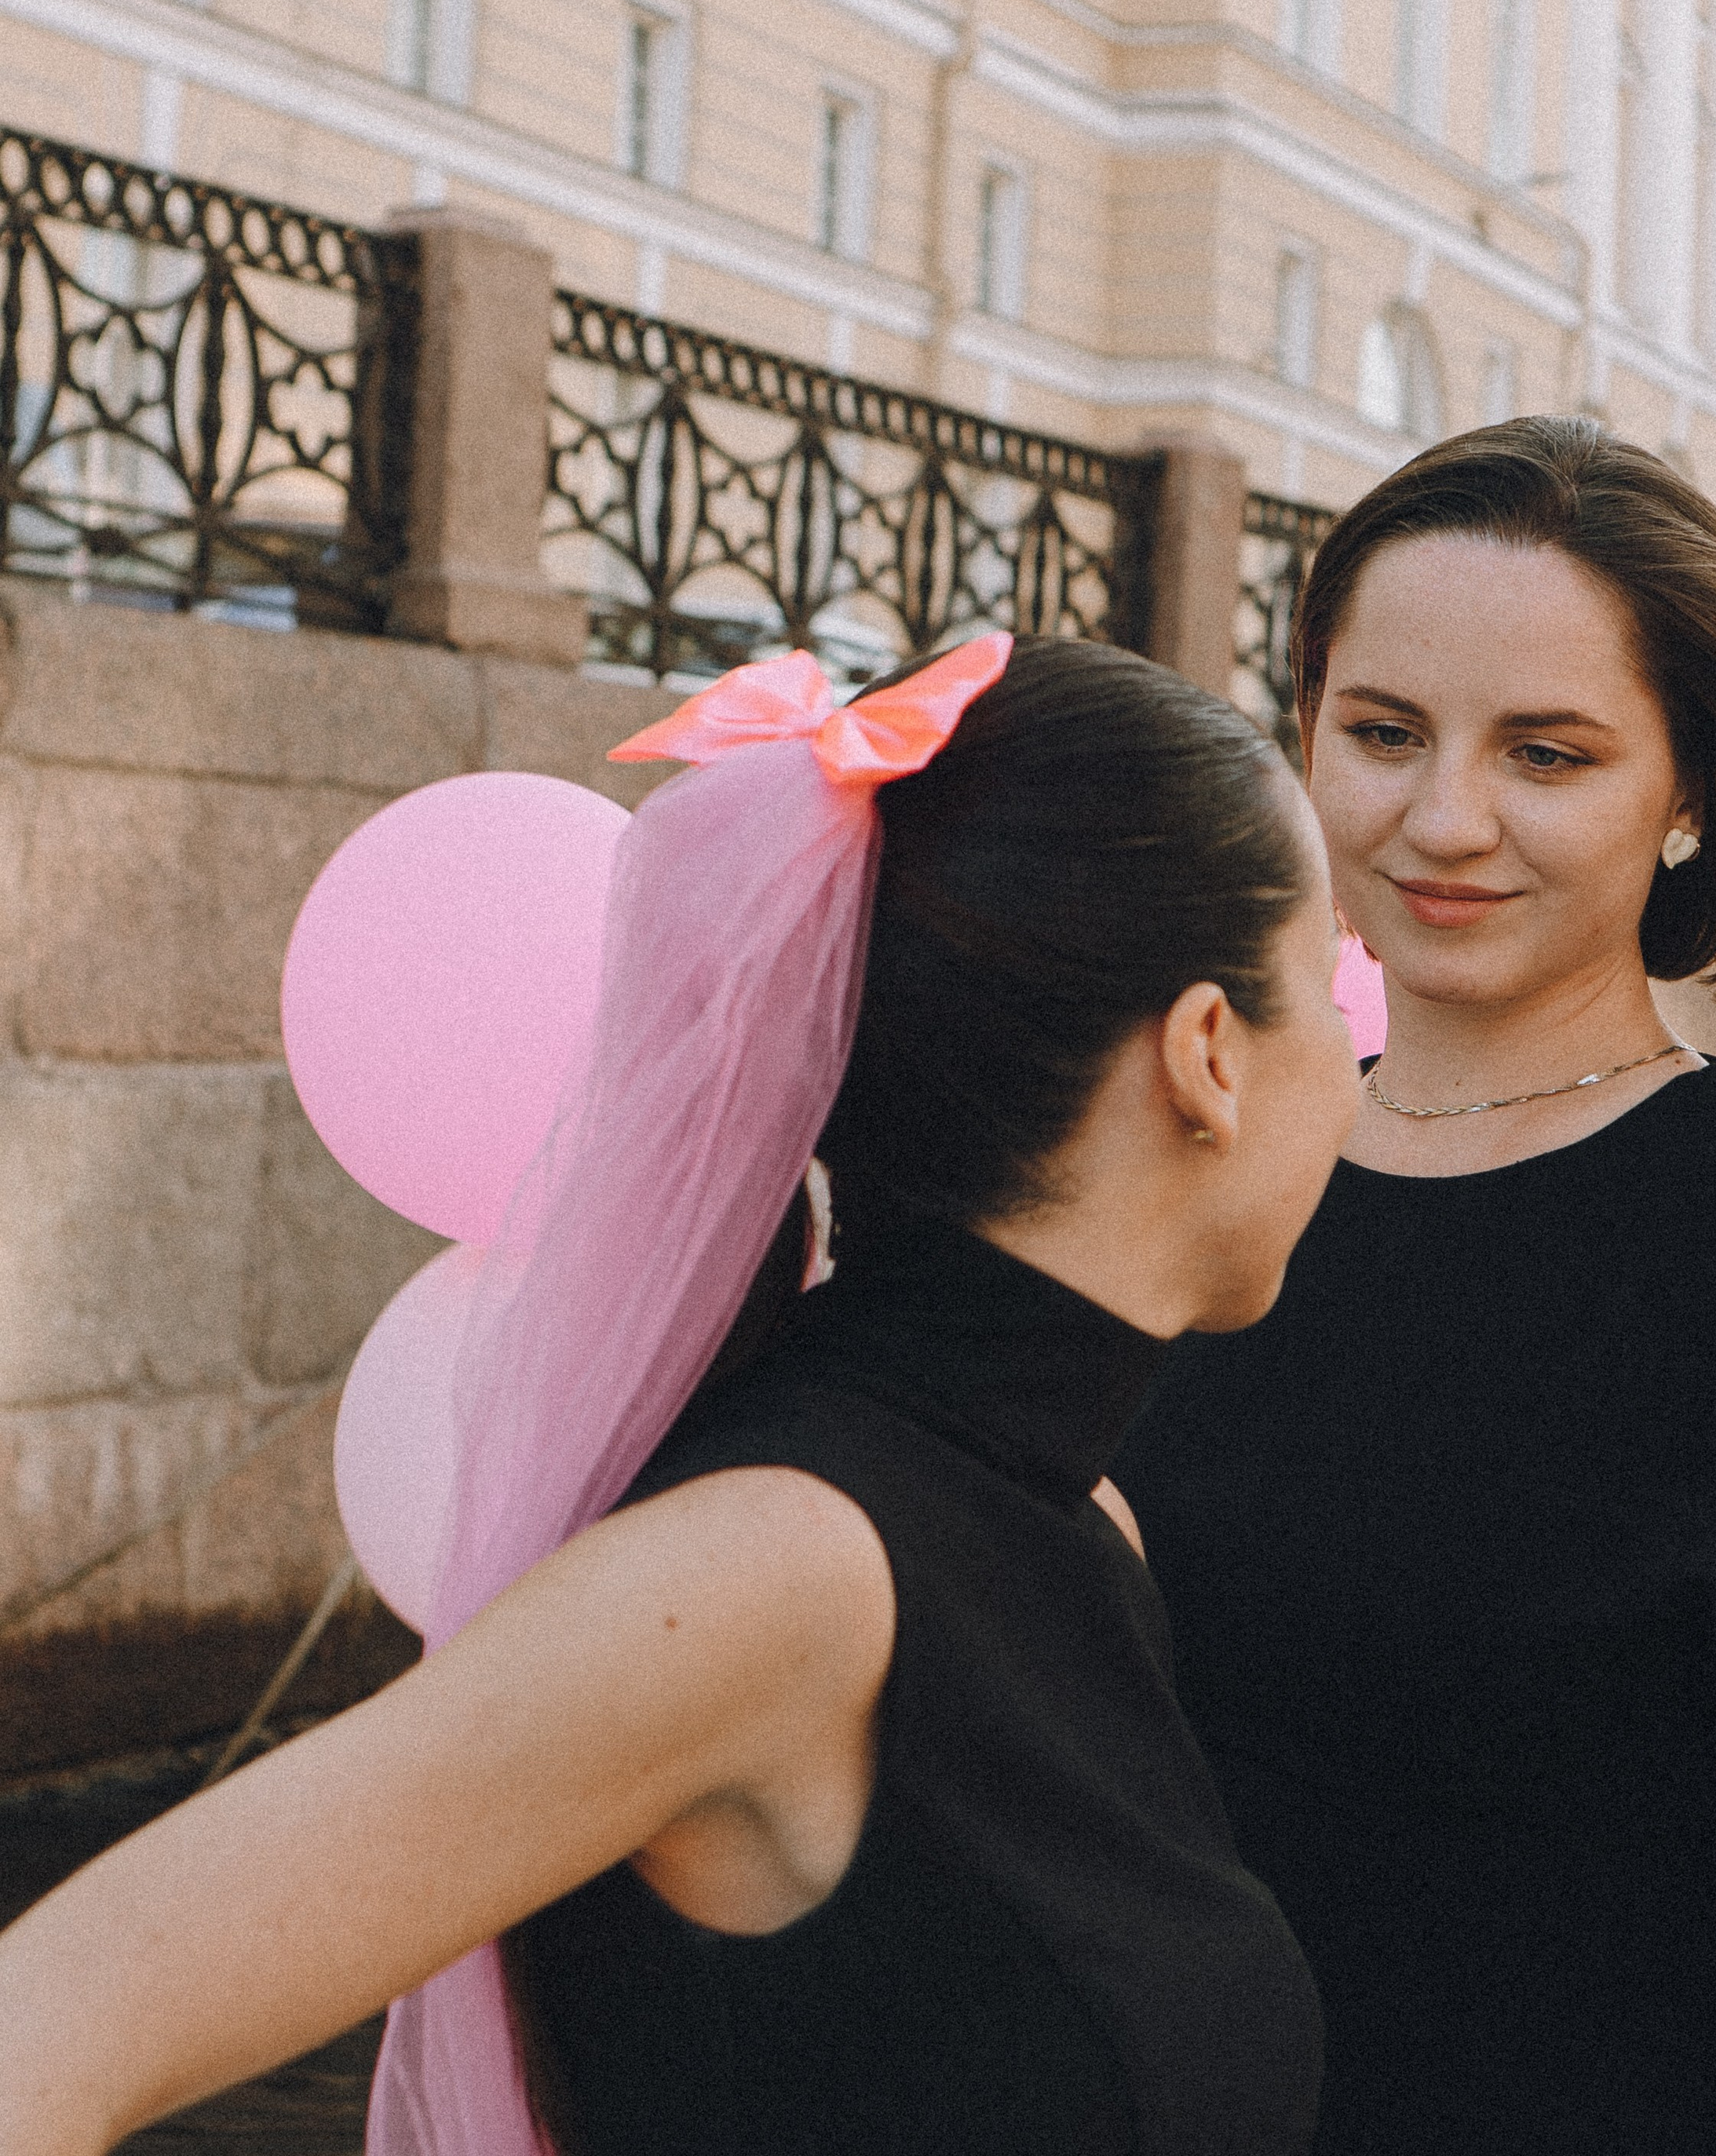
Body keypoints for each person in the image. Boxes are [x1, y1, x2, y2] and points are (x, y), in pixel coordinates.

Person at [0, 633, 1355, 2156]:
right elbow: (43, 2027)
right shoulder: (780, 1570)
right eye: (1325, 984)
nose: (1356, 1061)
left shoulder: (1074, 1517)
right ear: (1208, 1055)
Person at [1114, 417, 1716, 2156]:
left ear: (1686, 793)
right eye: (1380, 732)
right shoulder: (1207, 1182)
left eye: (1547, 753)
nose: (1442, 820)